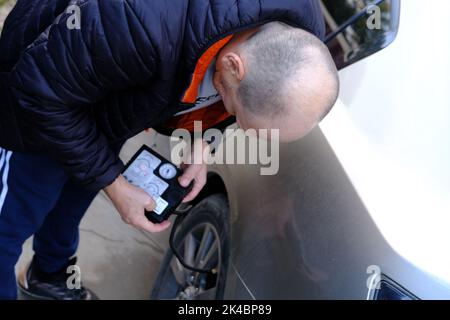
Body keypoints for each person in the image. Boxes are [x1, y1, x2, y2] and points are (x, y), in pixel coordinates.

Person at [0, 0, 339, 299]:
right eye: (235, 112)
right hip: (37, 104)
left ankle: (47, 276)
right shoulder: (138, 22)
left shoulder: (298, 32)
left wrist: (203, 139)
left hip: (106, 91)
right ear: (234, 66)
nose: (231, 117)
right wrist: (115, 186)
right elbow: (37, 92)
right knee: (9, 228)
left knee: (74, 196)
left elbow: (230, 98)